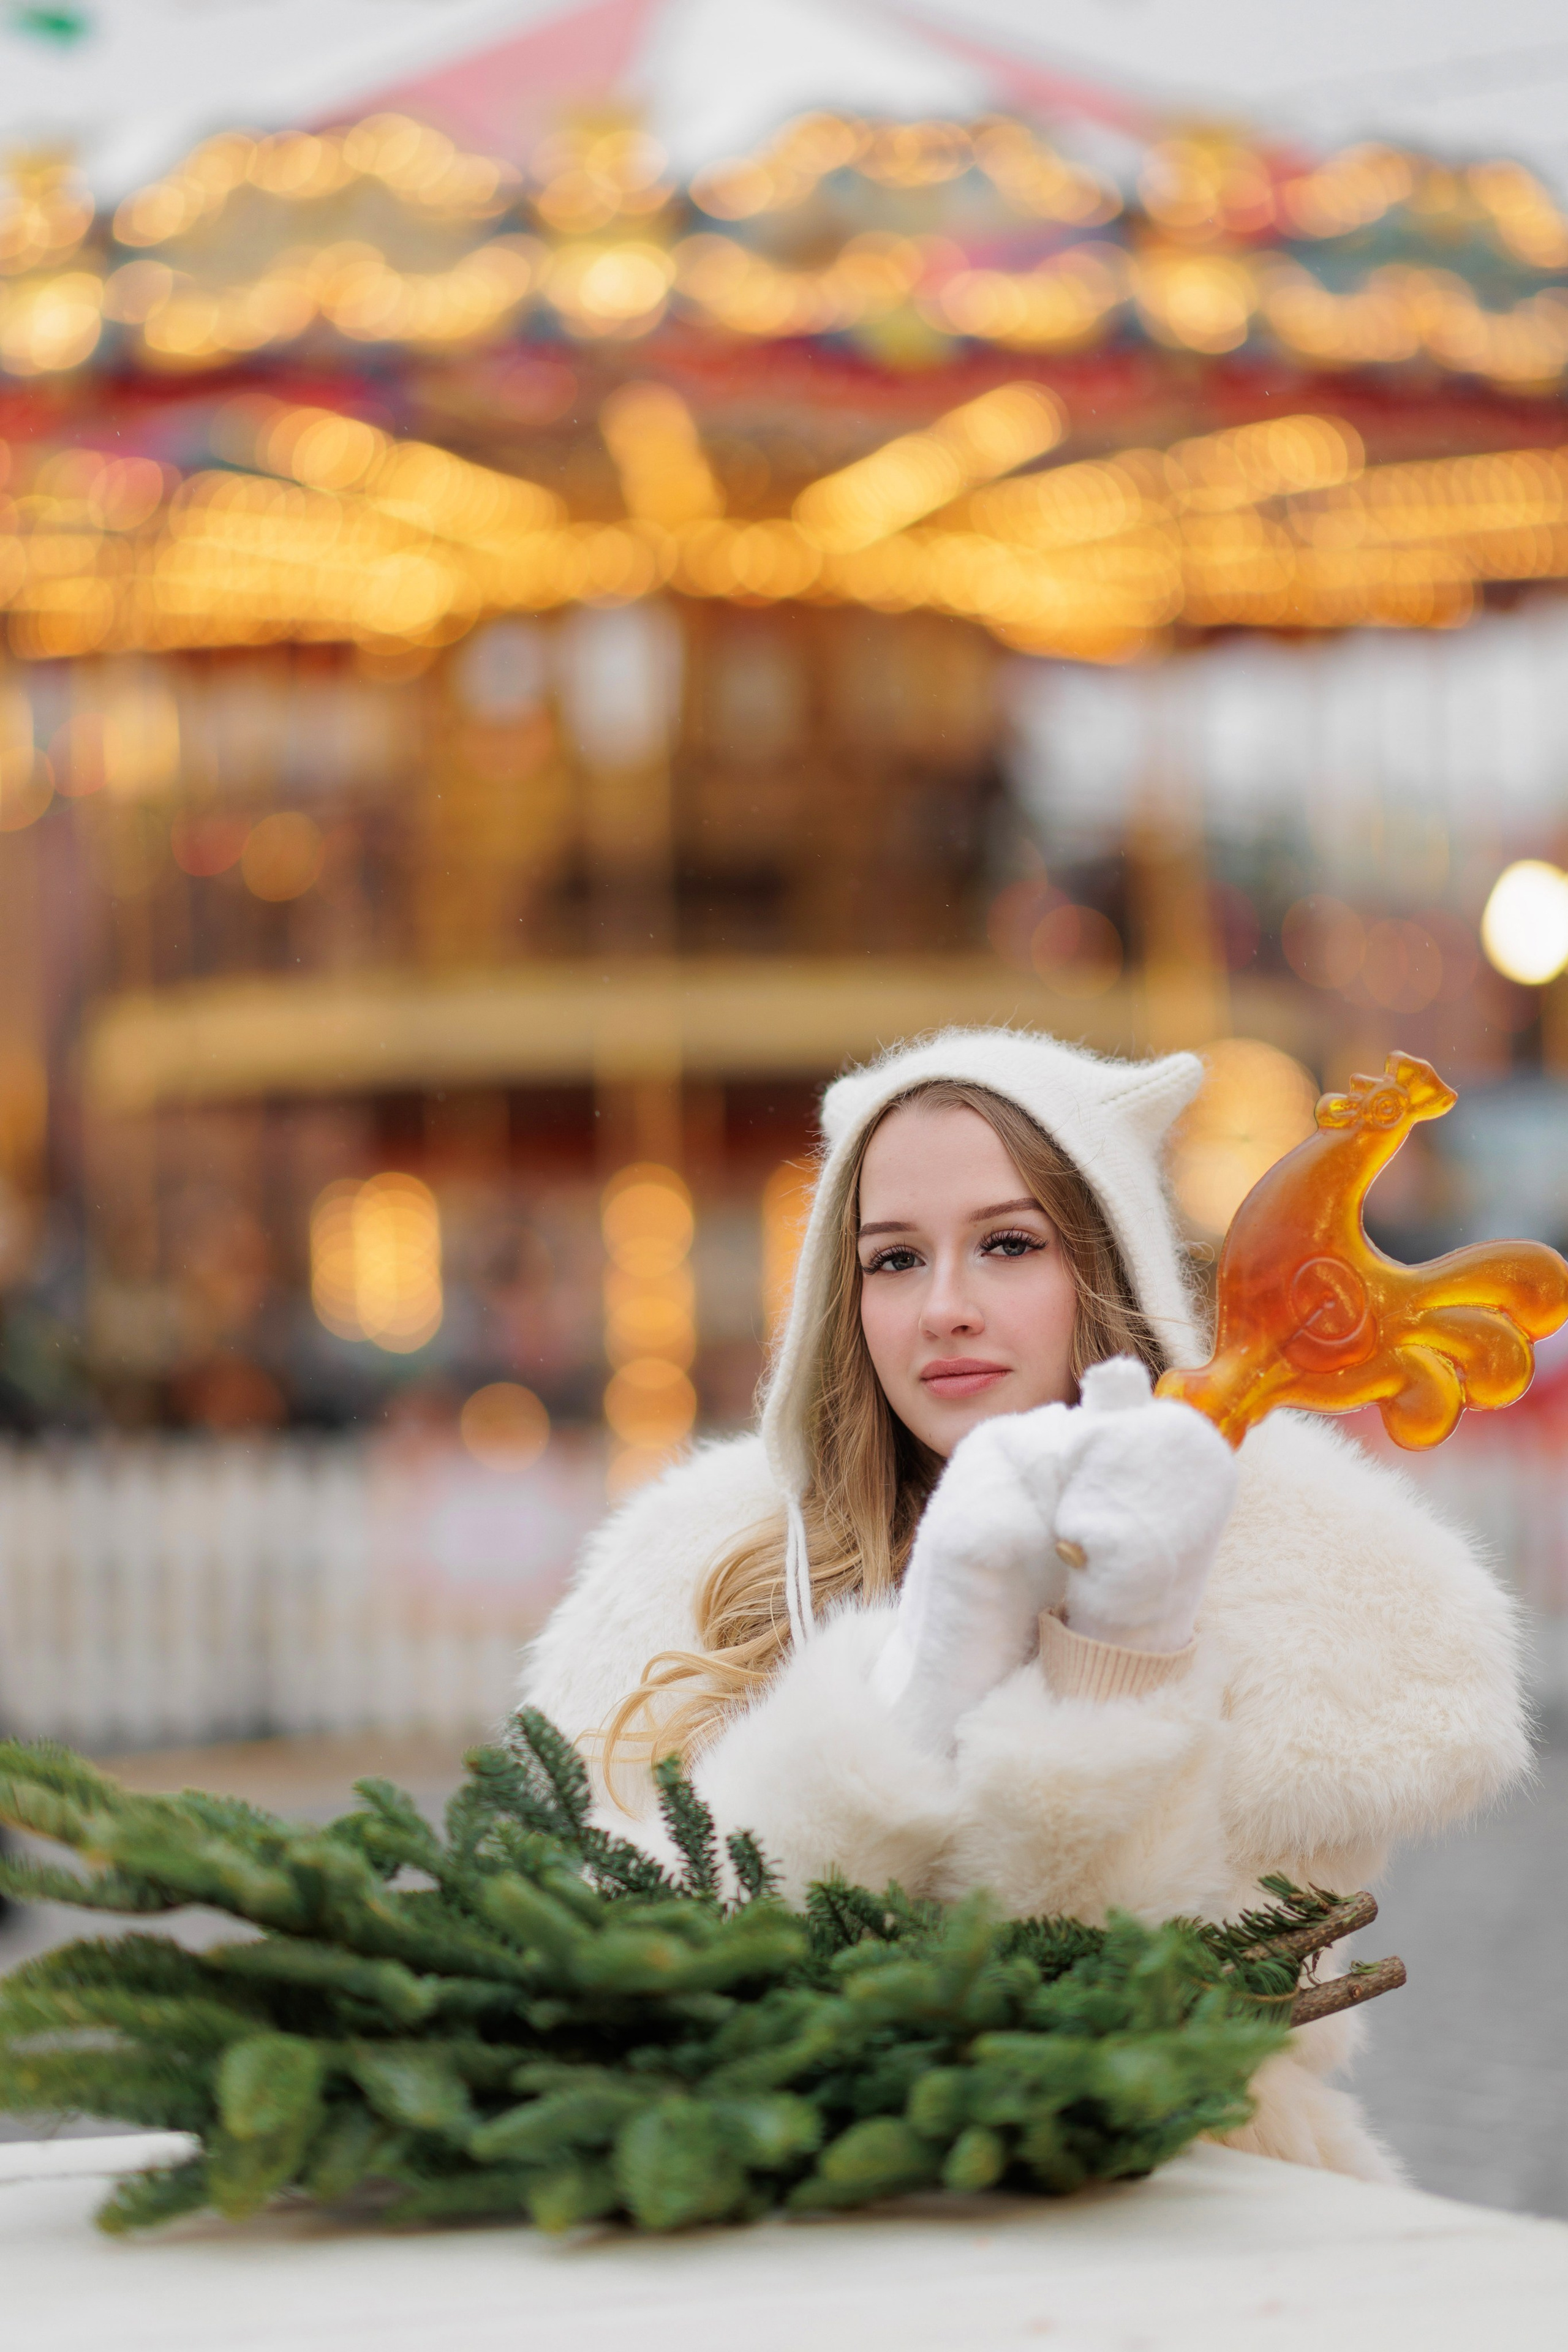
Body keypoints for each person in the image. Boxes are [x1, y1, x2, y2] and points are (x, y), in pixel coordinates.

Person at [521, 1028, 1528, 2179]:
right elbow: (632, 1968)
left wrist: (1121, 1651)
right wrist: (924, 1677)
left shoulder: (1304, 1596)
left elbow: (1110, 2025)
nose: (944, 1306)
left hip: (1172, 2227)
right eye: (894, 1260)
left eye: (1007, 1245)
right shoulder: (699, 1576)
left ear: (1104, 1277)